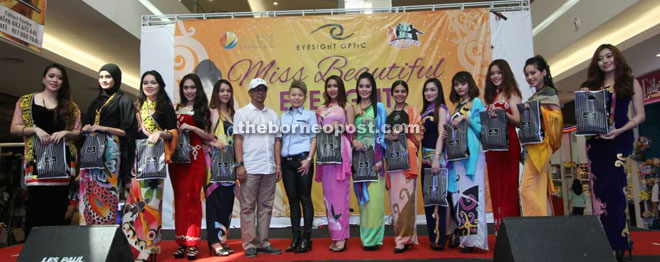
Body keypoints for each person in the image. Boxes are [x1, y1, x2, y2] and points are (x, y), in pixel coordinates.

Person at [580, 44, 644, 261]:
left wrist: (620, 130)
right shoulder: (591, 86)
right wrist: (586, 98)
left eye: (609, 56)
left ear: (616, 58)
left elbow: (639, 116)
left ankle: (620, 241)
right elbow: (585, 116)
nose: (605, 61)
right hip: (597, 144)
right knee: (599, 191)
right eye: (600, 58)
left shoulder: (630, 82)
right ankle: (604, 240)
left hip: (620, 140)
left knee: (616, 189)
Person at [10, 63, 81, 236]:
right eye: (51, 76)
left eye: (59, 77)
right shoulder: (26, 102)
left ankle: (55, 252)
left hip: (61, 165)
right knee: (35, 207)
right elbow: (14, 128)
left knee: (58, 208)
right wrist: (34, 130)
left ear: (63, 82)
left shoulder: (71, 107)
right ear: (43, 78)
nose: (55, 80)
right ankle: (33, 250)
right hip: (36, 163)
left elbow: (78, 133)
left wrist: (66, 132)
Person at [122, 70, 179, 262]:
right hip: (138, 158)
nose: (148, 86)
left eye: (153, 82)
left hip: (155, 158)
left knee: (151, 203)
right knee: (135, 203)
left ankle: (150, 248)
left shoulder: (165, 107)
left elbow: (173, 132)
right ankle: (138, 243)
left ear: (160, 85)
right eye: (145, 83)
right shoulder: (138, 107)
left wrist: (162, 134)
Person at [79, 63, 137, 225]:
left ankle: (105, 232)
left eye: (108, 76)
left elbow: (129, 130)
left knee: (106, 191)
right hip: (92, 151)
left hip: (111, 152)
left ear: (116, 78)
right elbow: (89, 123)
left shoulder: (123, 100)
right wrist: (87, 128)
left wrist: (104, 128)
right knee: (89, 190)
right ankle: (87, 230)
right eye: (101, 77)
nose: (104, 80)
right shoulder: (94, 102)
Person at [234, 78, 283, 258]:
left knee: (266, 206)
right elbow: (238, 139)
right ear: (250, 93)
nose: (260, 93)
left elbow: (277, 141)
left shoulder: (272, 115)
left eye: (263, 90)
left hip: (269, 167)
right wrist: (240, 164)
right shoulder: (242, 113)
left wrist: (278, 165)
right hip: (250, 167)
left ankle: (263, 242)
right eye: (256, 90)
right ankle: (249, 244)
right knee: (247, 207)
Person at [169, 73, 214, 259]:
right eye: (186, 88)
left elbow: (210, 137)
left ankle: (193, 242)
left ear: (198, 89)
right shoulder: (175, 108)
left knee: (193, 199)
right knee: (180, 200)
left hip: (195, 159)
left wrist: (193, 128)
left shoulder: (205, 110)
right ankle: (181, 241)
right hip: (177, 161)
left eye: (192, 87)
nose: (189, 91)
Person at [447, 71, 488, 253]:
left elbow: (483, 129)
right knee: (460, 197)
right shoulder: (457, 106)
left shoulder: (476, 102)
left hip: (473, 154)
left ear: (469, 84)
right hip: (458, 156)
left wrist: (466, 118)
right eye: (457, 84)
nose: (460, 87)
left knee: (473, 195)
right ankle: (465, 239)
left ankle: (475, 241)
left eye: (463, 83)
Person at [520, 55, 563, 217]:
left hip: (542, 147)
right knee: (538, 189)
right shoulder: (535, 97)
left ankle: (538, 224)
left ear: (544, 72)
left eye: (533, 73)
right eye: (527, 74)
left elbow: (557, 118)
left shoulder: (549, 93)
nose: (530, 77)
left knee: (528, 189)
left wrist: (538, 110)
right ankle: (546, 225)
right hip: (532, 148)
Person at [315, 75, 355, 252]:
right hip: (325, 154)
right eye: (329, 86)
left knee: (340, 194)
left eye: (335, 86)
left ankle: (342, 237)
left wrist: (341, 127)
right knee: (329, 195)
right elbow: (317, 131)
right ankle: (335, 234)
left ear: (340, 88)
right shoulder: (320, 108)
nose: (332, 89)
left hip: (341, 152)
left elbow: (353, 129)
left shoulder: (346, 106)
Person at [483, 59, 522, 231]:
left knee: (509, 187)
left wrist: (503, 114)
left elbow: (519, 121)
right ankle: (500, 229)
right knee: (496, 187)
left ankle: (512, 229)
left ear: (505, 73)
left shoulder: (512, 93)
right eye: (492, 73)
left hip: (509, 145)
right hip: (493, 147)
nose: (495, 76)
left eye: (498, 72)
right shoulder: (491, 97)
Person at [385, 80, 422, 253]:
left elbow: (418, 134)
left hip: (407, 159)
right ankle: (400, 237)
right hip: (392, 161)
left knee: (407, 198)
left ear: (407, 93)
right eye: (396, 91)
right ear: (392, 93)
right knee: (395, 200)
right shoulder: (388, 112)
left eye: (403, 91)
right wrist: (388, 135)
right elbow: (381, 135)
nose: (399, 94)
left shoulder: (413, 111)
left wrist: (403, 130)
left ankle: (405, 239)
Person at [280, 80, 318, 253]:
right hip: (287, 163)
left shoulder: (310, 115)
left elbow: (314, 138)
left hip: (303, 161)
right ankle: (295, 238)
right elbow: (280, 140)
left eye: (300, 95)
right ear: (289, 96)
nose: (296, 98)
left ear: (305, 97)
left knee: (305, 198)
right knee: (293, 201)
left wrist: (309, 159)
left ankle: (306, 239)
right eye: (293, 94)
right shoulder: (283, 116)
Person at [352, 72, 387, 251]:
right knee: (363, 202)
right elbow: (349, 132)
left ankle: (374, 239)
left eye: (367, 86)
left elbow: (382, 134)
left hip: (375, 162)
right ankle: (366, 239)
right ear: (357, 89)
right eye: (361, 86)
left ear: (372, 88)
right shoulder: (353, 108)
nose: (364, 89)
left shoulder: (379, 107)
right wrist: (353, 141)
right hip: (359, 161)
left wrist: (380, 159)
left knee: (375, 202)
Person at [419, 78, 451, 250]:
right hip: (425, 162)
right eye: (426, 90)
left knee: (438, 200)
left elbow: (442, 135)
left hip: (436, 162)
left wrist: (437, 158)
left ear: (439, 91)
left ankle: (440, 238)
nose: (429, 93)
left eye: (432, 89)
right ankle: (434, 236)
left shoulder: (442, 110)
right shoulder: (424, 112)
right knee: (429, 201)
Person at [206, 79, 237, 256]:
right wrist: (213, 141)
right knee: (213, 204)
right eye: (222, 90)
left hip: (230, 165)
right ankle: (213, 241)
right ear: (216, 93)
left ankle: (223, 240)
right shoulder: (212, 112)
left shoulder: (233, 114)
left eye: (228, 91)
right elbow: (204, 136)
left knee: (227, 204)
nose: (225, 94)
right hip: (214, 164)